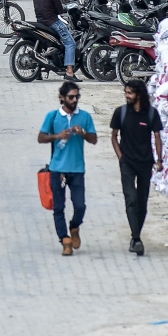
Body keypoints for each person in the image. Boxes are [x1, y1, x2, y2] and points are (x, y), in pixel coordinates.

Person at [38, 80, 96, 256]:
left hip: (77, 169)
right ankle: (65, 240)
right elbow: (41, 137)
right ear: (62, 98)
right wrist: (57, 136)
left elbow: (94, 139)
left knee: (80, 206)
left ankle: (74, 226)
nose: (75, 100)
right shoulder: (53, 116)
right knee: (58, 207)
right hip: (58, 169)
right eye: (71, 97)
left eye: (77, 96)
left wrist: (83, 133)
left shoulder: (84, 116)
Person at [110, 79, 163, 256]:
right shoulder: (121, 113)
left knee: (142, 201)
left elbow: (157, 137)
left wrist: (159, 159)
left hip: (145, 163)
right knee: (130, 198)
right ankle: (136, 238)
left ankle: (136, 235)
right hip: (127, 163)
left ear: (139, 94)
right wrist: (120, 157)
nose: (127, 96)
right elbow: (114, 136)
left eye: (130, 93)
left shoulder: (151, 114)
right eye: (126, 92)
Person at [32, 0, 76, 79]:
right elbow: (60, 11)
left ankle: (38, 71)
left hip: (40, 23)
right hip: (53, 23)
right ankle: (69, 72)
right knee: (70, 43)